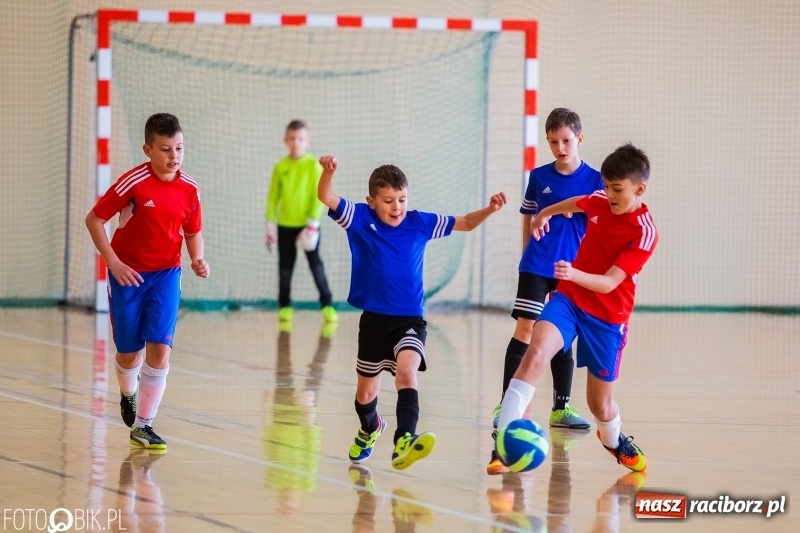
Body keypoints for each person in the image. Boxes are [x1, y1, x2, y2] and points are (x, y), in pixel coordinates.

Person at [317, 155, 507, 470]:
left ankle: (404, 440)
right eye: (389, 201)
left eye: (402, 199)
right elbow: (325, 196)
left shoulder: (420, 222)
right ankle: (371, 427)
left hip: (410, 320)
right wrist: (328, 172)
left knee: (407, 373)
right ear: (371, 201)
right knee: (365, 394)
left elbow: (466, 223)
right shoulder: (360, 218)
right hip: (374, 322)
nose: (397, 207)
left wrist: (490, 208)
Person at [495, 143, 657, 473]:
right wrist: (542, 214)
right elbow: (574, 202)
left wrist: (574, 272)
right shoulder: (599, 201)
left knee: (600, 404)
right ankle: (503, 439)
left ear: (639, 189)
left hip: (608, 317)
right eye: (608, 187)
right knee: (536, 351)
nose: (609, 195)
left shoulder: (644, 232)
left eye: (617, 189)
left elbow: (611, 282)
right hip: (570, 299)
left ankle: (612, 438)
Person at [487, 108, 603, 475]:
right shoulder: (539, 177)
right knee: (525, 329)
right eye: (553, 141)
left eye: (566, 140)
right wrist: (527, 253)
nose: (559, 147)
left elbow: (600, 222)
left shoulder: (597, 179)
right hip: (538, 265)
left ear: (579, 139)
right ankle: (508, 404)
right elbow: (529, 216)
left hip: (573, 269)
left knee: (560, 336)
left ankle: (561, 406)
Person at [85, 113, 210, 451]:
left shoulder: (189, 188)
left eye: (180, 148)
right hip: (128, 275)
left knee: (160, 347)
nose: (175, 156)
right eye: (166, 149)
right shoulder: (133, 183)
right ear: (148, 150)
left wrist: (197, 257)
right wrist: (113, 262)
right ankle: (129, 392)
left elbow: (193, 231)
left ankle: (144, 425)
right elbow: (95, 219)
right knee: (129, 354)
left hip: (167, 275)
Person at [265, 120, 338, 324]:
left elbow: (320, 195)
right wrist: (269, 223)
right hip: (285, 225)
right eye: (292, 138)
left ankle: (327, 304)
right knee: (285, 266)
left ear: (308, 141)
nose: (296, 142)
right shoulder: (281, 167)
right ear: (285, 140)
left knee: (316, 264)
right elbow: (273, 196)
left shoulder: (314, 165)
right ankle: (285, 305)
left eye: (301, 138)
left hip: (308, 225)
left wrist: (312, 223)